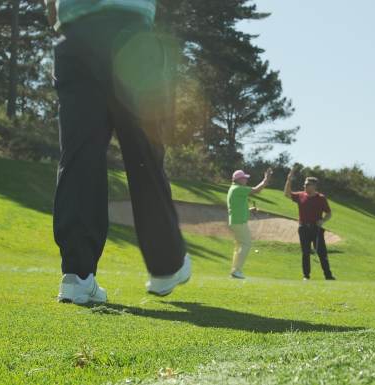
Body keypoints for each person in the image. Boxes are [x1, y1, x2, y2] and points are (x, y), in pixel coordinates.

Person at [45, 0, 191, 304]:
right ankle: (166, 266)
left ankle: (77, 274)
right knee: (143, 154)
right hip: (130, 31)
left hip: (75, 33)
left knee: (79, 155)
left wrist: (59, 19)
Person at [284, 167, 336, 280]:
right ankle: (306, 276)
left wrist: (323, 221)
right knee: (305, 253)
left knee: (322, 253)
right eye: (304, 184)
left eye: (307, 184)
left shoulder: (321, 198)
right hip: (303, 228)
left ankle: (328, 275)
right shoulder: (300, 196)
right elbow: (287, 194)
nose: (304, 186)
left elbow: (329, 213)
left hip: (316, 228)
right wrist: (288, 179)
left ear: (313, 186)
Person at [226, 169, 272, 279]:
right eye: (244, 178)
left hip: (235, 221)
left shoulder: (234, 189)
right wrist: (265, 180)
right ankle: (237, 271)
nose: (246, 180)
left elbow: (237, 206)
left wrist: (249, 210)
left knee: (239, 246)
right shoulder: (238, 188)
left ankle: (234, 270)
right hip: (239, 222)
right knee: (246, 244)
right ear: (239, 179)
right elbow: (256, 190)